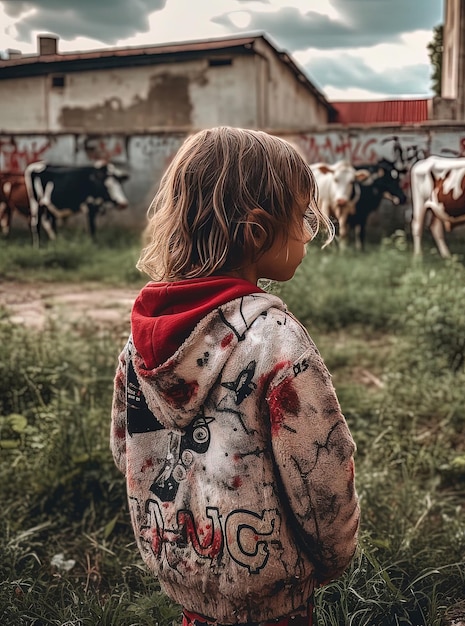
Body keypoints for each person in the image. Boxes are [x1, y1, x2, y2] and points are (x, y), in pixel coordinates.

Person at [110, 126, 360, 626]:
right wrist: (335, 559)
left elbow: (126, 452)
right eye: (303, 216)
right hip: (275, 602)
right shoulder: (277, 343)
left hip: (182, 575)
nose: (310, 231)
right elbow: (320, 478)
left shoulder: (141, 343)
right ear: (256, 230)